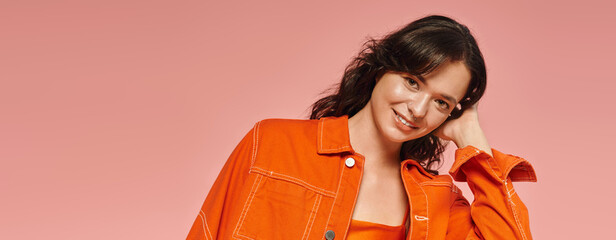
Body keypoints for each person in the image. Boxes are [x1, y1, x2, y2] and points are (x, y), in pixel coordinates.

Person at [186, 15, 537, 240]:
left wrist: (473, 142)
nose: (417, 110)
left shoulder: (439, 200)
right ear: (381, 68)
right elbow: (207, 231)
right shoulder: (272, 142)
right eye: (413, 82)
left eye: (441, 102)